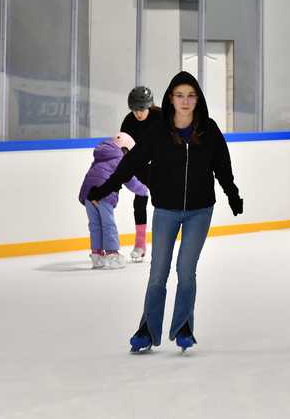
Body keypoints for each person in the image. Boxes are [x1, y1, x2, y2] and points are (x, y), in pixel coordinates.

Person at [88, 71, 243, 352]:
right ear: (170, 98)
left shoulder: (208, 129)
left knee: (186, 270)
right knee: (158, 272)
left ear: (198, 99)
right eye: (179, 95)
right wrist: (105, 188)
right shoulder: (159, 132)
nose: (185, 101)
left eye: (191, 95)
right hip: (166, 211)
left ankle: (184, 327)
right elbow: (130, 162)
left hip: (199, 211)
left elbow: (223, 166)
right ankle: (147, 330)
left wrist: (232, 194)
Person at [79, 133, 149, 269]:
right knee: (108, 224)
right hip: (103, 194)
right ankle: (112, 255)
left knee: (95, 225)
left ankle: (97, 255)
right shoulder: (119, 159)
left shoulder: (101, 156)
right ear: (124, 149)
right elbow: (130, 180)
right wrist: (143, 190)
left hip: (88, 194)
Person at [120, 86, 163, 262]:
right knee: (140, 202)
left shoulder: (161, 116)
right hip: (140, 167)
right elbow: (122, 146)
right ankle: (140, 244)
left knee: (163, 205)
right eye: (134, 109)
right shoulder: (128, 122)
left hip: (161, 166)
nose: (138, 113)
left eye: (142, 109)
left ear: (149, 106)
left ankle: (163, 244)